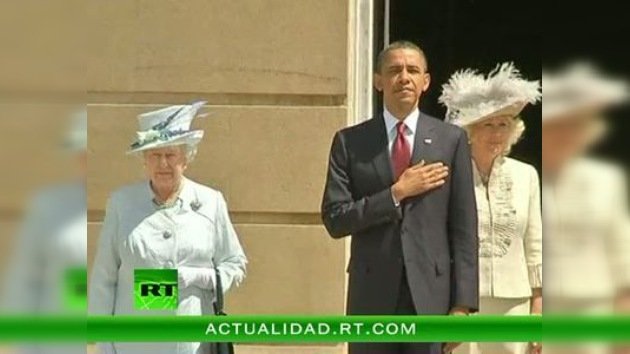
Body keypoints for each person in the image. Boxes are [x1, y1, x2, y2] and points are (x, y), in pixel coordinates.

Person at [321, 40, 479, 354]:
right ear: (378, 81)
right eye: (394, 70)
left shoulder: (451, 140)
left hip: (430, 297)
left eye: (412, 70)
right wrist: (395, 193)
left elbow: (464, 230)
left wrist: (462, 306)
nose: (404, 77)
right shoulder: (350, 142)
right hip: (372, 297)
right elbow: (335, 219)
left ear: (425, 82)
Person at [89, 101, 247, 354]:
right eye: (154, 155)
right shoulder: (121, 203)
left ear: (186, 158)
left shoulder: (210, 202)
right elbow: (103, 277)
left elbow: (234, 263)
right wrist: (105, 343)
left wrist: (199, 277)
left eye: (171, 155)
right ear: (144, 161)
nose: (163, 163)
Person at [439, 63, 542, 354]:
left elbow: (535, 247)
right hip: (460, 303)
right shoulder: (446, 176)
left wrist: (539, 310)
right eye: (488, 124)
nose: (497, 132)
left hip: (514, 303)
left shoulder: (526, 176)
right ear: (469, 130)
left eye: (504, 124)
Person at [542, 63, 630, 354]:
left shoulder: (606, 179)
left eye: (574, 127)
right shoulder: (529, 178)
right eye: (557, 127)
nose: (565, 135)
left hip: (593, 305)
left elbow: (621, 251)